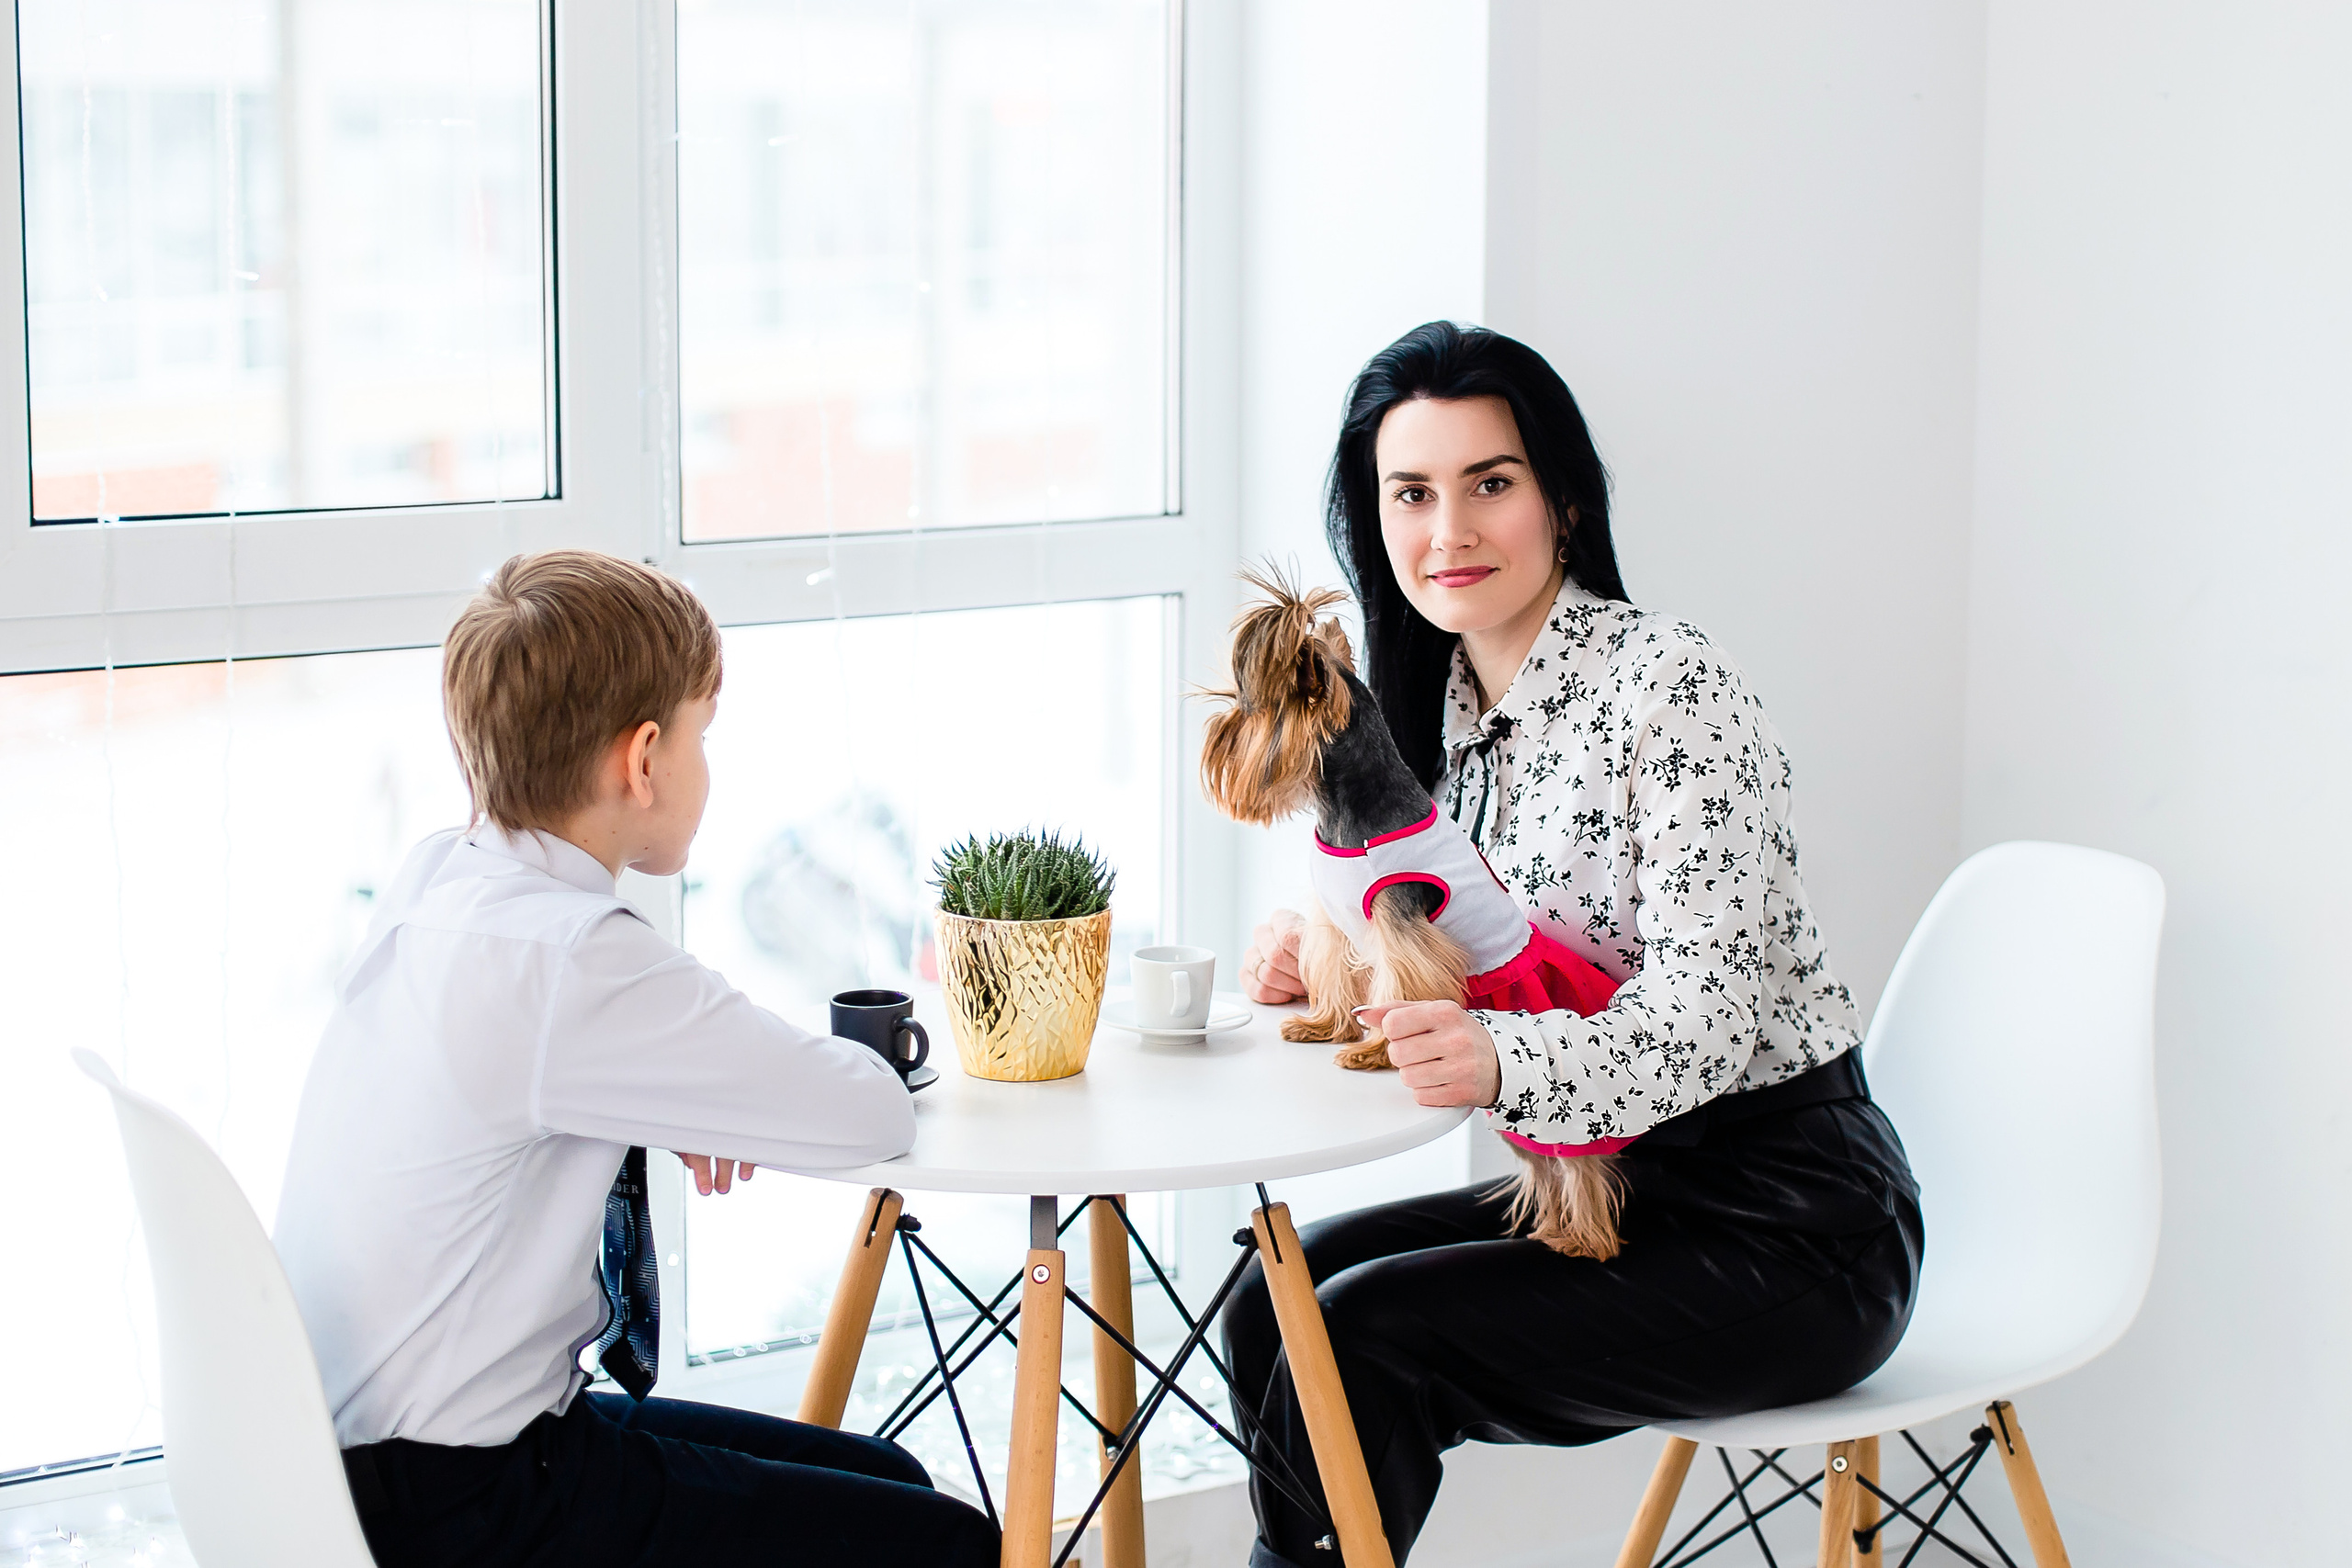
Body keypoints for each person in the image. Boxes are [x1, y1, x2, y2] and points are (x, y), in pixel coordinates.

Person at [1223, 323, 1924, 1566]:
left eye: (1490, 482)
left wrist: (1498, 1059)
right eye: (1411, 493)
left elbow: (1706, 1020)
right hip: (1607, 1192)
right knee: (1271, 1296)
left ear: (1565, 500)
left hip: (1791, 1222)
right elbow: (1462, 941)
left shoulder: (1673, 686)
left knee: (1362, 1334)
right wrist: (1323, 957)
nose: (1449, 530)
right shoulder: (1434, 711)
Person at [274, 550, 997, 1568]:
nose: (709, 765)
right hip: (467, 1500)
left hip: (358, 1461)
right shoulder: (571, 958)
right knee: (946, 1545)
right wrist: (726, 1091)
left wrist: (678, 1099)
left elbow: (522, 1085)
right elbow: (870, 1113)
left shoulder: (445, 879)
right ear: (644, 758)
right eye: (705, 733)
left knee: (890, 1478)